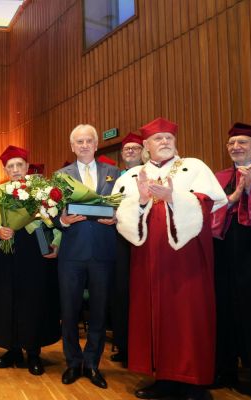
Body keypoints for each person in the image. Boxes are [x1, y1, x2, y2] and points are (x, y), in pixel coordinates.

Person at [113, 117, 227, 400]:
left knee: (190, 314)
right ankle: (162, 377)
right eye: (158, 139)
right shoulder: (130, 176)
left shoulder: (194, 166)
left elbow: (210, 201)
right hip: (147, 258)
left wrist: (174, 196)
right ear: (146, 146)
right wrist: (140, 201)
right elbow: (120, 215)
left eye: (169, 138)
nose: (164, 142)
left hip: (187, 259)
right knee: (152, 313)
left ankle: (194, 381)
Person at [0, 145, 61, 376]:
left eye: (19, 165)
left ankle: (34, 352)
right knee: (7, 298)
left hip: (35, 250)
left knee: (34, 299)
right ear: (5, 169)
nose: (15, 169)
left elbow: (54, 219)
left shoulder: (41, 190)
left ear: (27, 166)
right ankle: (12, 349)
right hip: (7, 250)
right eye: (11, 166)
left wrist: (56, 241)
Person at [54, 125, 119, 389]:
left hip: (103, 252)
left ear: (96, 145)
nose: (84, 145)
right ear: (72, 146)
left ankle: (92, 363)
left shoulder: (113, 173)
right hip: (71, 254)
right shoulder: (60, 176)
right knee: (69, 311)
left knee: (99, 312)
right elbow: (53, 213)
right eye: (79, 141)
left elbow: (124, 207)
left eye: (88, 141)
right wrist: (63, 220)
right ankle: (72, 362)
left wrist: (116, 218)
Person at [211, 122, 251, 396]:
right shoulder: (220, 176)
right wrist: (234, 196)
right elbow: (210, 211)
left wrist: (249, 191)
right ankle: (225, 369)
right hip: (223, 252)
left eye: (242, 143)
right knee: (223, 310)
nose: (235, 147)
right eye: (231, 144)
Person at [110, 132, 144, 367]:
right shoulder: (115, 178)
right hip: (120, 241)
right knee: (121, 292)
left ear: (143, 151)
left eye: (135, 148)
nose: (130, 151)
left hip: (143, 240)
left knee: (141, 293)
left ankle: (142, 347)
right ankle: (124, 345)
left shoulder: (151, 174)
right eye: (126, 149)